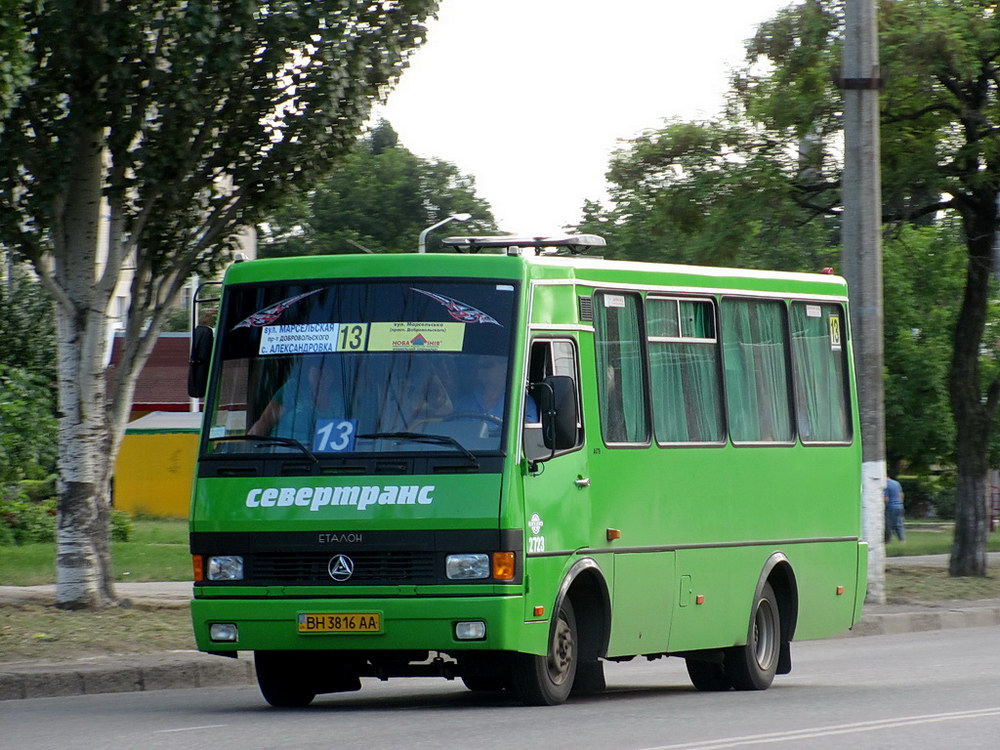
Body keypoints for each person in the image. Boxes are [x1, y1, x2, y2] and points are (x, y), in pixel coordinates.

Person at [884, 475, 905, 543]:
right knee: (899, 524)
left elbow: (886, 499)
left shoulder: (886, 485)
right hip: (900, 506)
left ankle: (889, 540)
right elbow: (901, 494)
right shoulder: (896, 483)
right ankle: (902, 540)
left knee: (889, 525)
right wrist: (900, 503)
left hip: (891, 507)